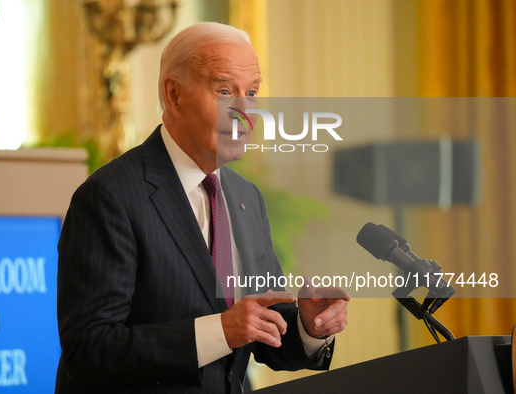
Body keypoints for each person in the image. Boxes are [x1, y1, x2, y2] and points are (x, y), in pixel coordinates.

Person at [55, 22, 349, 394]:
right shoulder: (110, 196)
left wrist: (309, 326)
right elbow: (89, 349)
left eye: (253, 92)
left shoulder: (246, 198)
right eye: (224, 91)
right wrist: (219, 332)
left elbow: (262, 328)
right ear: (174, 95)